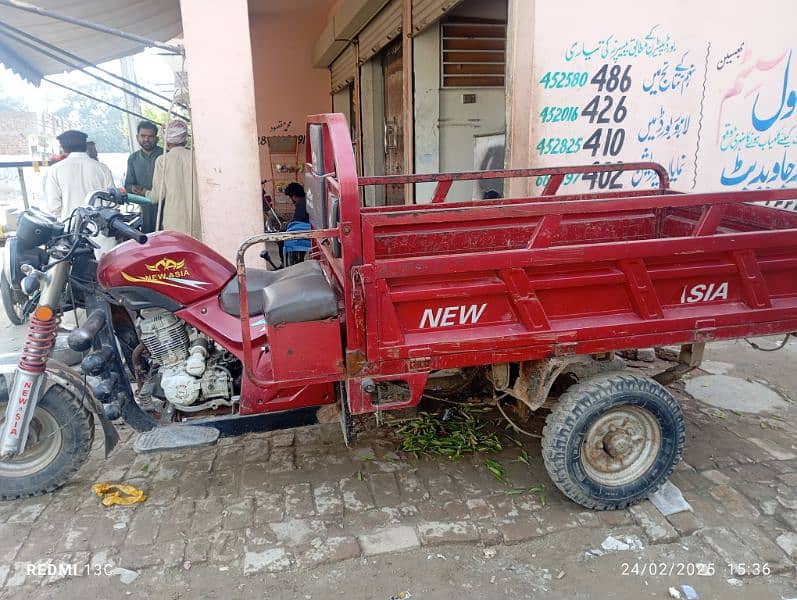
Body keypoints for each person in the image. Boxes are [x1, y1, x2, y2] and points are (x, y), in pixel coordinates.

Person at [147, 119, 202, 239]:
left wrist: (145, 193)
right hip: (198, 220)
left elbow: (156, 197)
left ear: (166, 140)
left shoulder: (162, 160)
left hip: (174, 222)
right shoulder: (197, 157)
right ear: (185, 139)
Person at [44, 130, 114, 219]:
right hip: (99, 228)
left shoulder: (55, 170)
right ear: (85, 146)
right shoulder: (102, 168)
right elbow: (112, 200)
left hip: (71, 227)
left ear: (63, 148)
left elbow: (53, 206)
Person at [125, 121, 163, 195]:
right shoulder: (133, 159)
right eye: (142, 136)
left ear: (157, 139)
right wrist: (133, 188)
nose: (146, 139)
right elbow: (127, 185)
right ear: (137, 137)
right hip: (144, 205)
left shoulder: (166, 155)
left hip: (167, 205)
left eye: (150, 136)